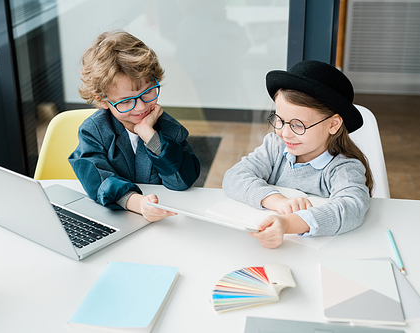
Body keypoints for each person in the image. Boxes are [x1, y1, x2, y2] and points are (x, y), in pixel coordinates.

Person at [222, 60, 373, 248]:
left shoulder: (344, 168)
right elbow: (233, 177)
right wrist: (277, 201)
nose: (285, 133)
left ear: (333, 125)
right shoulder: (275, 147)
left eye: (298, 125)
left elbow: (351, 209)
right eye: (280, 120)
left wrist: (288, 223)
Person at [69, 30, 200, 222]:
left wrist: (151, 137)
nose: (141, 106)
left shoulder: (170, 128)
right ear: (102, 99)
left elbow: (182, 181)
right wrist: (136, 203)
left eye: (147, 92)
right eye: (125, 101)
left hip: (166, 220)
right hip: (115, 218)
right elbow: (96, 178)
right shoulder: (93, 131)